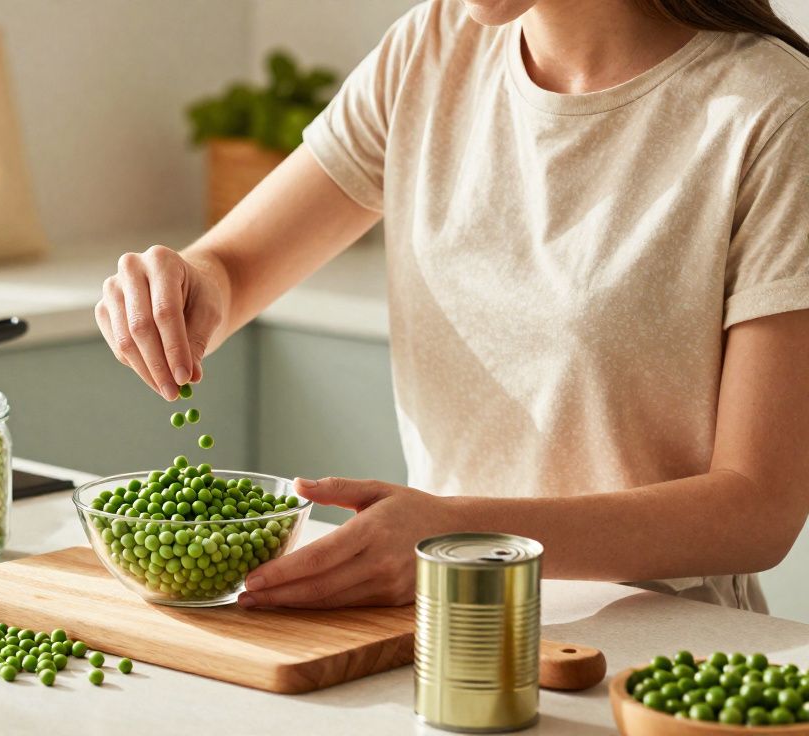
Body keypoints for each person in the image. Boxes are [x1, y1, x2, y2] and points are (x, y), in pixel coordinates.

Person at [93, 0, 809, 612]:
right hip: (442, 626)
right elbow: (232, 269)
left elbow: (758, 507)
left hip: (662, 658)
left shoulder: (772, 113)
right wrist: (181, 288)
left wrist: (457, 536)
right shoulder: (430, 49)